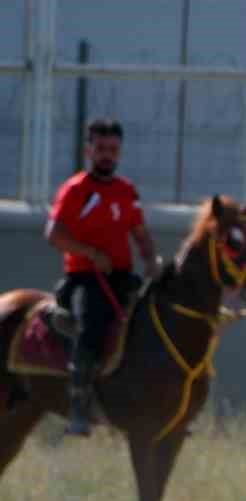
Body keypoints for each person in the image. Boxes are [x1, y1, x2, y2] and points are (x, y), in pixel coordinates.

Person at [44, 117, 159, 436]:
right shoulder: (76, 189)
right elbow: (53, 234)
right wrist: (91, 253)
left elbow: (139, 232)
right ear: (88, 151)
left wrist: (150, 258)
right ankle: (79, 407)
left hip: (122, 276)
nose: (107, 155)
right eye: (101, 149)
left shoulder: (126, 190)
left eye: (113, 149)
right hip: (85, 277)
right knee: (91, 329)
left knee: (153, 323)